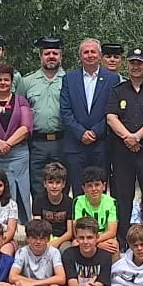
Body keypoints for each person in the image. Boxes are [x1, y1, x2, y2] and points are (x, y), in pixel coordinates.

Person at [103, 48, 143, 228]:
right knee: (122, 195)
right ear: (127, 65)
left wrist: (137, 137)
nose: (136, 67)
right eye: (132, 63)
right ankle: (123, 236)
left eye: (140, 63)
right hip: (122, 151)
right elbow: (111, 117)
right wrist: (128, 138)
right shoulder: (117, 90)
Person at [60, 38, 122, 191]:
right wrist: (81, 132)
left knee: (98, 189)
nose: (89, 55)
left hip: (101, 144)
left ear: (100, 55)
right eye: (85, 52)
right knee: (78, 190)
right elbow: (65, 110)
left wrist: (95, 131)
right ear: (80, 56)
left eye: (93, 52)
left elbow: (113, 110)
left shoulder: (112, 79)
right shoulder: (69, 78)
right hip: (75, 144)